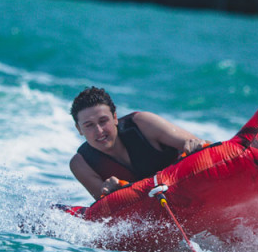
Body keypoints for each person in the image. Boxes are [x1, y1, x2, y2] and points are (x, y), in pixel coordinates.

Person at [69, 86, 208, 200]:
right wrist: (111, 193)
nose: (99, 131)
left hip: (190, 188)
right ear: (79, 129)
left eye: (103, 121)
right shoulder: (81, 164)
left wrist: (195, 147)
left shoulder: (143, 124)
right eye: (89, 125)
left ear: (115, 118)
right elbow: (105, 211)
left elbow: (206, 146)